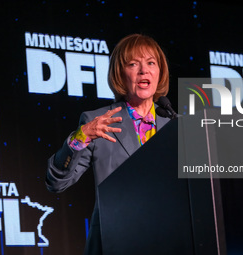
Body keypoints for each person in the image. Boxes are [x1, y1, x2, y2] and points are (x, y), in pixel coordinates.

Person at [46, 34, 171, 254]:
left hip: (171, 241)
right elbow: (57, 183)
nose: (144, 70)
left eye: (151, 63)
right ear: (120, 74)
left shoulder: (175, 124)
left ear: (159, 72)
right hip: (116, 241)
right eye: (133, 64)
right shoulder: (98, 122)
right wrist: (79, 138)